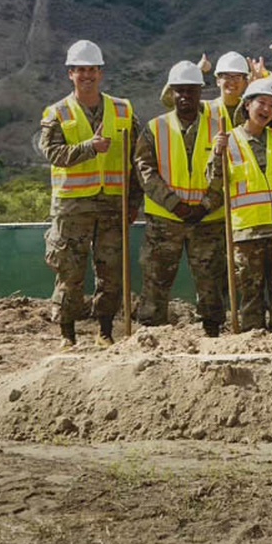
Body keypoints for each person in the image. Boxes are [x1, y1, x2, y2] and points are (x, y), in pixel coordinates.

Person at [40, 39, 141, 350]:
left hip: (112, 204)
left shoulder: (123, 109)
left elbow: (138, 157)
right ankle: (68, 336)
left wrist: (134, 201)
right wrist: (88, 148)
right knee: (69, 272)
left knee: (110, 272)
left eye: (92, 70)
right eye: (80, 70)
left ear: (101, 73)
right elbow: (52, 152)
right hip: (72, 207)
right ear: (70, 73)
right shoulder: (57, 112)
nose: (87, 75)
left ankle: (105, 331)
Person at [134, 61, 227, 337]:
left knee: (211, 283)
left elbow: (228, 172)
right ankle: (151, 336)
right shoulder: (154, 128)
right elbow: (144, 171)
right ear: (171, 93)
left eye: (191, 90)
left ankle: (213, 334)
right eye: (180, 91)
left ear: (201, 92)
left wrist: (206, 205)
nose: (185, 96)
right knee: (155, 280)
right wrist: (175, 205)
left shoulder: (218, 129)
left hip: (207, 221)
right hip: (166, 220)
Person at [210, 76, 272, 334]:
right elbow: (213, 185)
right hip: (247, 233)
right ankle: (252, 342)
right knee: (250, 294)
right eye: (261, 103)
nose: (266, 110)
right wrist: (216, 155)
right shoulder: (227, 142)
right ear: (247, 105)